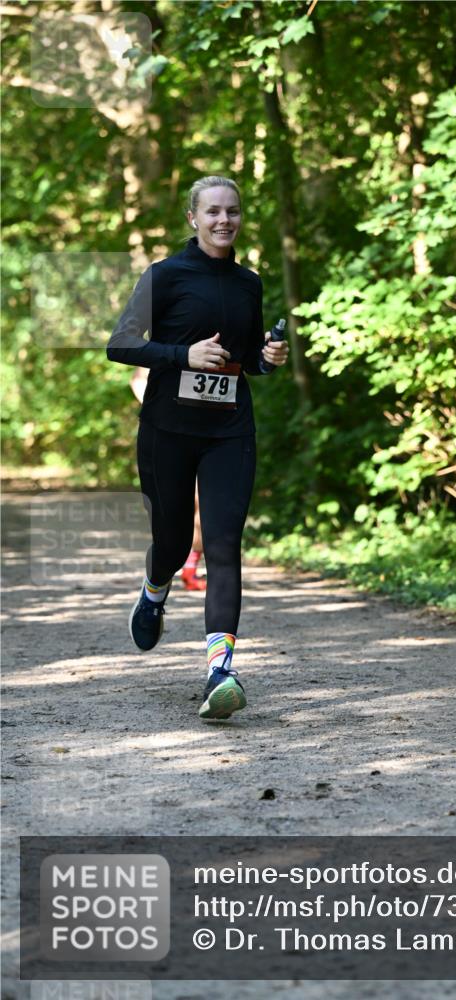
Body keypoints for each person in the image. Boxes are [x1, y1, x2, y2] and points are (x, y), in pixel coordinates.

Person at [107, 175, 289, 721]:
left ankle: (220, 671)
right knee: (170, 540)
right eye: (212, 211)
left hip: (230, 429)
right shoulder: (164, 276)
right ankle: (155, 589)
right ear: (193, 218)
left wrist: (266, 358)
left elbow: (245, 358)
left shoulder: (248, 283)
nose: (223, 221)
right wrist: (182, 356)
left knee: (224, 544)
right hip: (167, 429)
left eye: (232, 211)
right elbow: (121, 345)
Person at [130, 366, 206, 591]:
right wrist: (162, 408)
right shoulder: (167, 339)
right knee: (177, 507)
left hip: (208, 431)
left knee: (203, 502)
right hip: (166, 434)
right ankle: (166, 564)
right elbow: (137, 380)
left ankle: (190, 568)